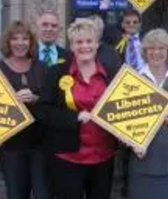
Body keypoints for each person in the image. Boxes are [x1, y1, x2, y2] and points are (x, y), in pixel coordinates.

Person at [37, 18, 120, 199]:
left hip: (103, 155)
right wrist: (74, 117)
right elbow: (42, 111)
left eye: (89, 41)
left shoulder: (111, 72)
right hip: (68, 156)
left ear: (97, 44)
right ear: (71, 46)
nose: (84, 46)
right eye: (79, 42)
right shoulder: (57, 71)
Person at [127, 29, 168, 199]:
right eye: (151, 48)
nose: (156, 52)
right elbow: (122, 118)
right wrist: (132, 141)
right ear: (144, 51)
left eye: (161, 48)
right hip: (142, 158)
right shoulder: (133, 80)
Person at [0, 21, 50, 199]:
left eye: (25, 38)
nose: (20, 43)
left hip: (41, 144)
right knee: (16, 194)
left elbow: (52, 102)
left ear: (31, 42)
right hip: (11, 146)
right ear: (7, 42)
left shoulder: (42, 68)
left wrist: (36, 98)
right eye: (15, 38)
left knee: (43, 194)